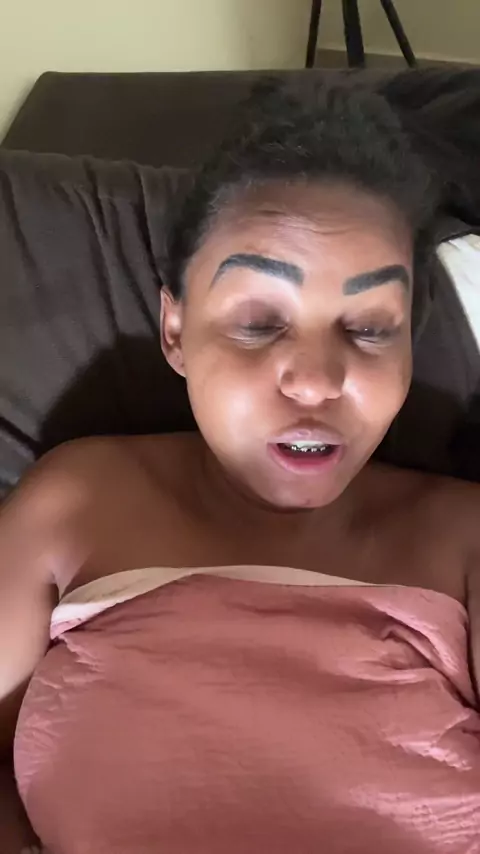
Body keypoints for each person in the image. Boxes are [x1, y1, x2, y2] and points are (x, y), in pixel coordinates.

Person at [1, 78, 480, 854]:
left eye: (368, 328)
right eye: (259, 324)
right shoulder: (76, 503)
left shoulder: (464, 539)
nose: (316, 382)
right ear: (176, 331)